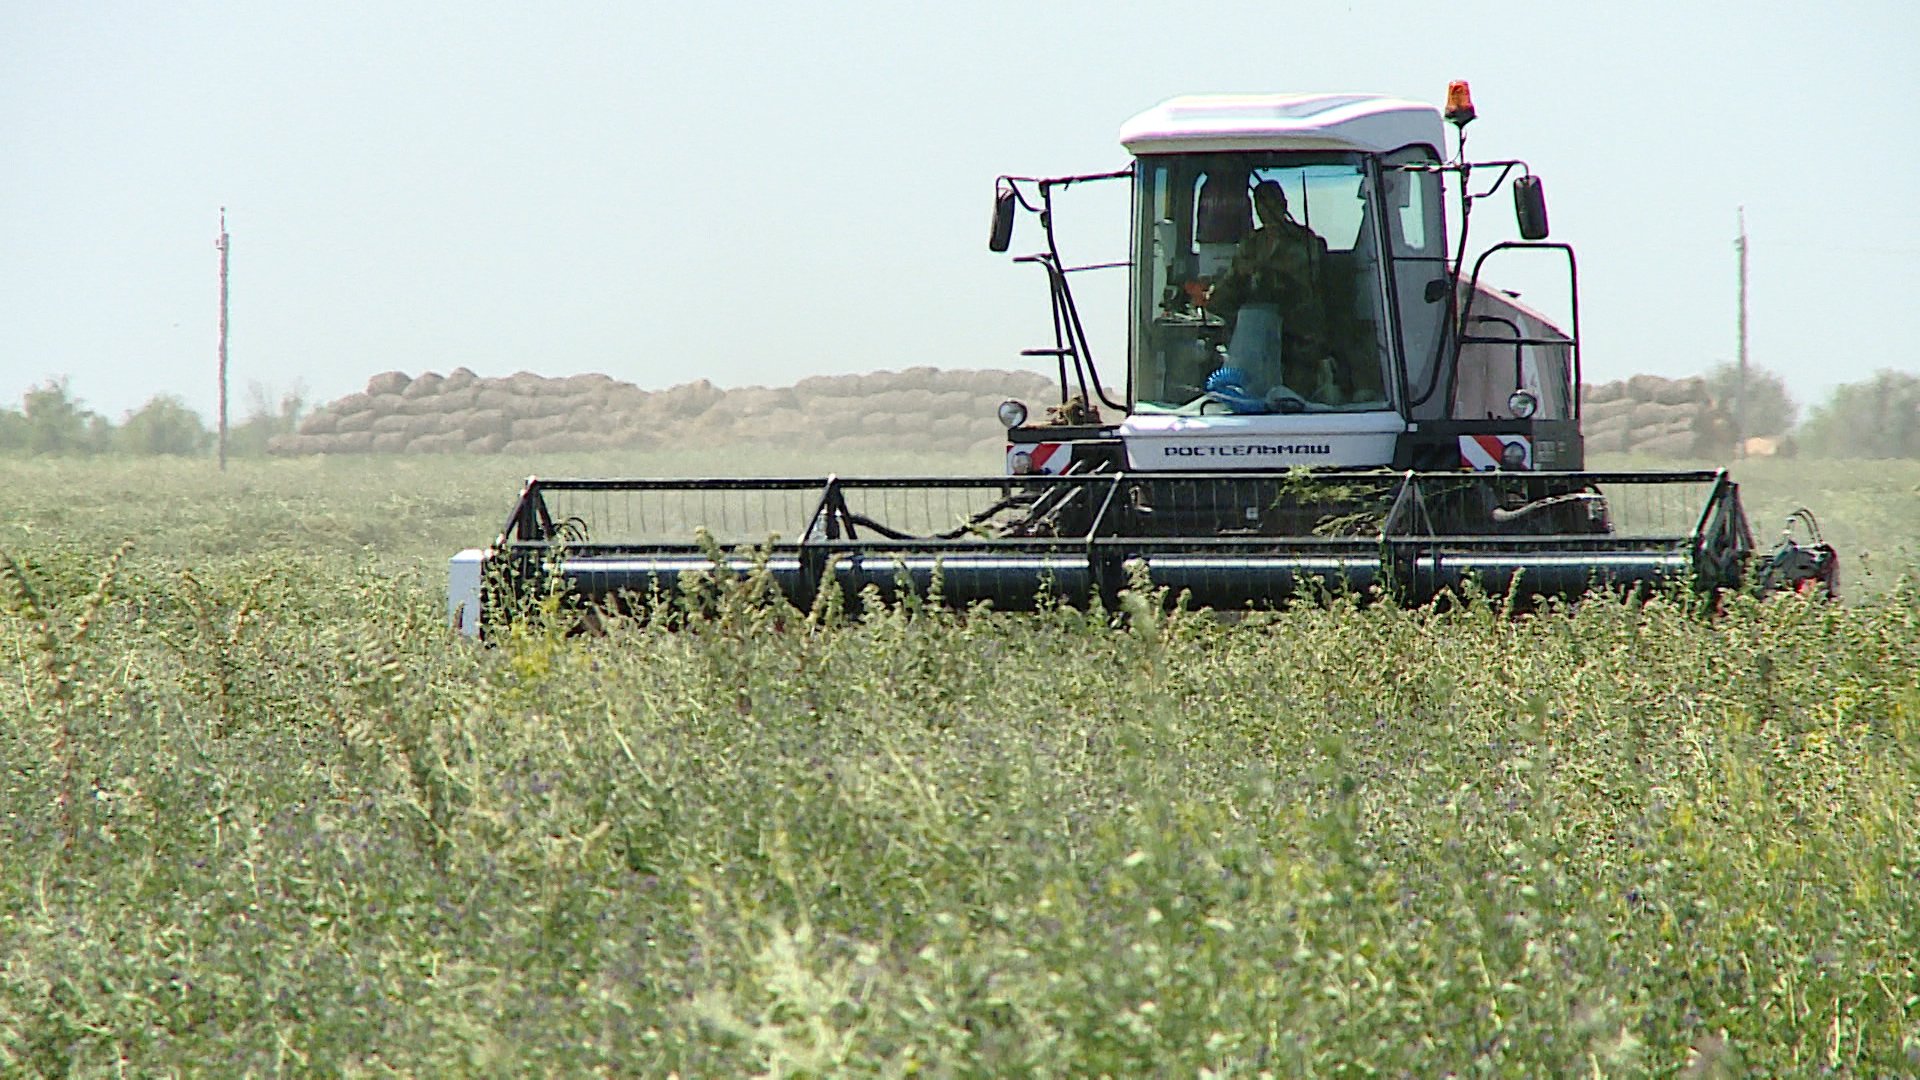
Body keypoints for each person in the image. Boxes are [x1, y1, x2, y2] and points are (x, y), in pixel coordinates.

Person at [1206, 181, 1331, 401]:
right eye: (1260, 205)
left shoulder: (1304, 241)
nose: (1266, 211)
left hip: (1295, 330)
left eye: (1271, 203)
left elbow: (1304, 281)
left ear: (1283, 204)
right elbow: (1232, 281)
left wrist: (1264, 270)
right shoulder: (1251, 243)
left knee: (1295, 397)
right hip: (1253, 328)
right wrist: (1211, 298)